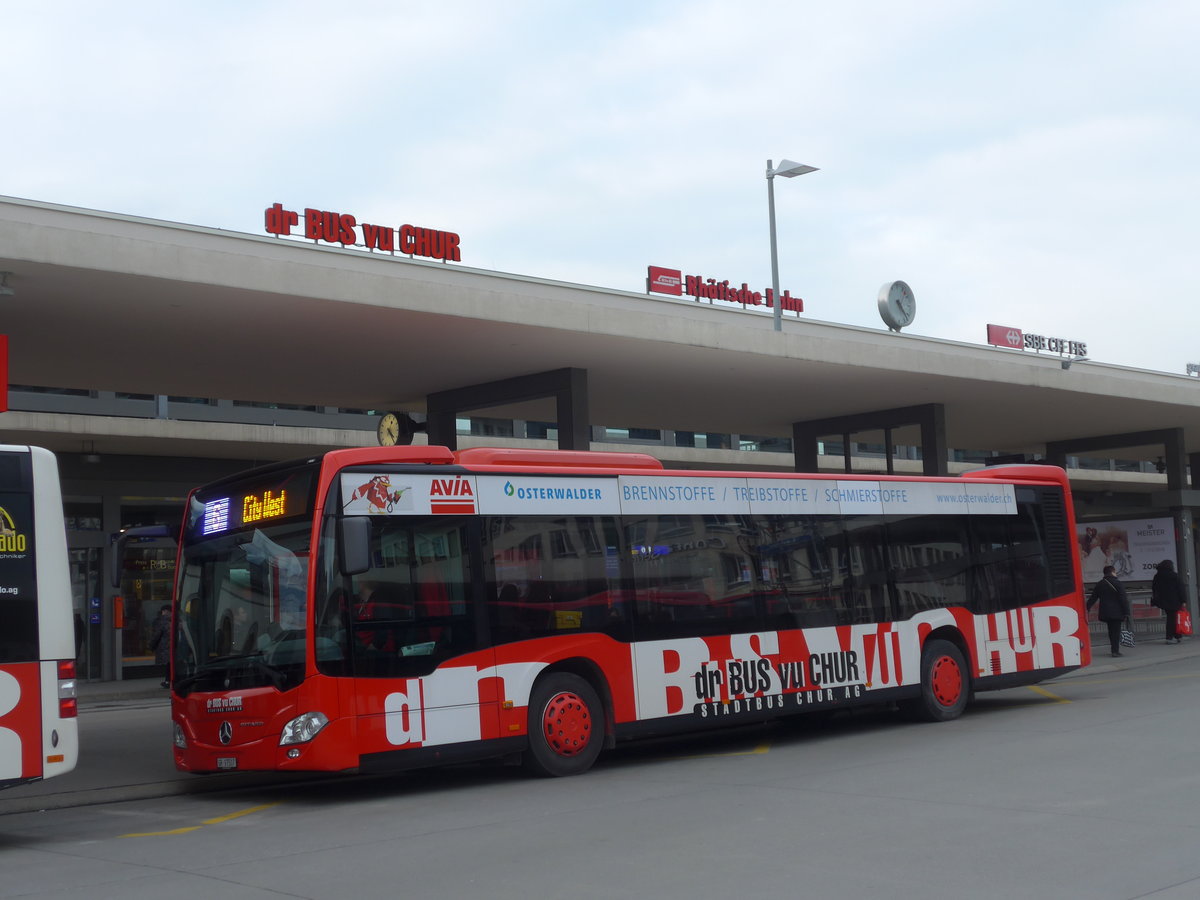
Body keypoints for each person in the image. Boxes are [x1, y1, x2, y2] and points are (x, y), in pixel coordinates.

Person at [1087, 565, 1132, 657]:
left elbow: (1093, 598)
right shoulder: (1118, 583)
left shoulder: (1100, 584)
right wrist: (1127, 612)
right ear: (1112, 572)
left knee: (1111, 631)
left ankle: (1114, 649)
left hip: (1106, 612)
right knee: (1116, 632)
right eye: (1115, 571)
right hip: (1117, 612)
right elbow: (1123, 599)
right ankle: (1115, 651)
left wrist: (1087, 607)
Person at [1151, 559, 1186, 643]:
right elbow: (1180, 589)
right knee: (1173, 619)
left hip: (1164, 601)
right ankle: (1170, 637)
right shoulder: (1174, 576)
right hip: (1175, 601)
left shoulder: (1157, 576)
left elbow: (1154, 588)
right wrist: (1183, 600)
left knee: (1171, 618)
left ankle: (1177, 636)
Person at [149, 604, 171, 687]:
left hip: (165, 647)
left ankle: (168, 681)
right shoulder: (177, 620)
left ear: (164, 611)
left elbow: (156, 635)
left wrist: (151, 646)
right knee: (171, 664)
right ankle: (168, 681)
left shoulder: (161, 621)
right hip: (175, 648)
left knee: (168, 664)